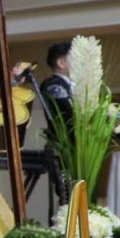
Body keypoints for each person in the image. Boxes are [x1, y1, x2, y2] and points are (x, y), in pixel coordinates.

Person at [39, 40, 76, 201]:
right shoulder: (53, 85)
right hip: (62, 147)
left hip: (76, 147)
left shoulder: (73, 85)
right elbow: (67, 113)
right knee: (68, 195)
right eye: (74, 57)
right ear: (61, 62)